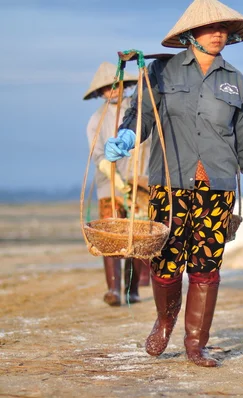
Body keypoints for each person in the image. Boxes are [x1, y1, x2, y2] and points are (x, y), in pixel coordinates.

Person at [104, 0, 243, 367]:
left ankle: (196, 343)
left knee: (207, 263)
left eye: (224, 29)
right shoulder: (161, 73)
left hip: (218, 186)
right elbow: (142, 116)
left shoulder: (236, 82)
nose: (219, 35)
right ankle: (165, 321)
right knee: (166, 261)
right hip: (170, 182)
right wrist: (125, 136)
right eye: (211, 28)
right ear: (189, 35)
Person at [84, 61, 151, 306]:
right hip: (109, 185)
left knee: (136, 237)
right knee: (111, 236)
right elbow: (97, 153)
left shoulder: (139, 110)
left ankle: (132, 291)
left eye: (117, 86)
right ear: (100, 92)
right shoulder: (97, 119)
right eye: (107, 88)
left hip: (139, 183)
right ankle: (113, 289)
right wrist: (114, 178)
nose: (113, 91)